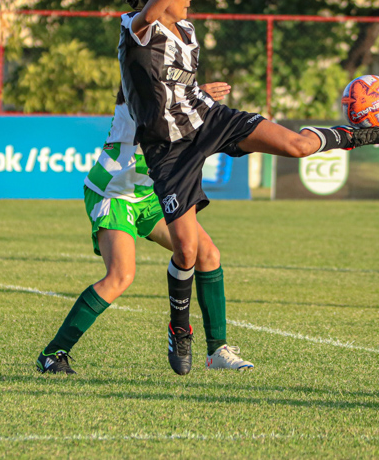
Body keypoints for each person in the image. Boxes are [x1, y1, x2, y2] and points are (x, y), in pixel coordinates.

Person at [116, 0, 379, 375]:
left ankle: (360, 135)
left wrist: (202, 93)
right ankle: (179, 328)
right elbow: (148, 17)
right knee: (187, 250)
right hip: (169, 149)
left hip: (209, 120)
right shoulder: (137, 30)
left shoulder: (187, 31)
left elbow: (172, 88)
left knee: (297, 146)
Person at [36, 84, 254, 375]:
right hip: (113, 192)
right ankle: (53, 353)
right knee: (121, 276)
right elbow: (156, 110)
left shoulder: (177, 88)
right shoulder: (136, 84)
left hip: (148, 194)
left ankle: (217, 350)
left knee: (207, 254)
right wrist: (197, 96)